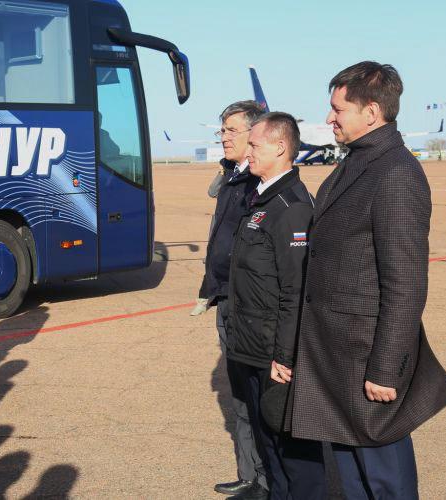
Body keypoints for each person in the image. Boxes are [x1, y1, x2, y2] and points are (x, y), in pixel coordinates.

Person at [286, 61, 446, 499]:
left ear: (371, 112)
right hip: (335, 352)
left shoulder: (396, 173)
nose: (329, 118)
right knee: (351, 479)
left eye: (337, 109)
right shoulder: (355, 163)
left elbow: (405, 284)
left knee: (385, 481)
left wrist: (385, 368)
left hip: (366, 357)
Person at [227, 112, 324, 500]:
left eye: (254, 144)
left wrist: (285, 356)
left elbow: (296, 291)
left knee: (295, 455)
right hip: (252, 348)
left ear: (281, 147)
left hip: (275, 356)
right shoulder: (261, 198)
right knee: (269, 449)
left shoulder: (292, 206)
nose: (247, 151)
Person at [194, 101, 268, 498]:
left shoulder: (259, 184)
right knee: (239, 395)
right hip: (225, 299)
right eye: (221, 130)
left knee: (258, 397)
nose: (223, 137)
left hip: (249, 305)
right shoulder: (232, 178)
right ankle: (249, 474)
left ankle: (267, 480)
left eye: (231, 131)